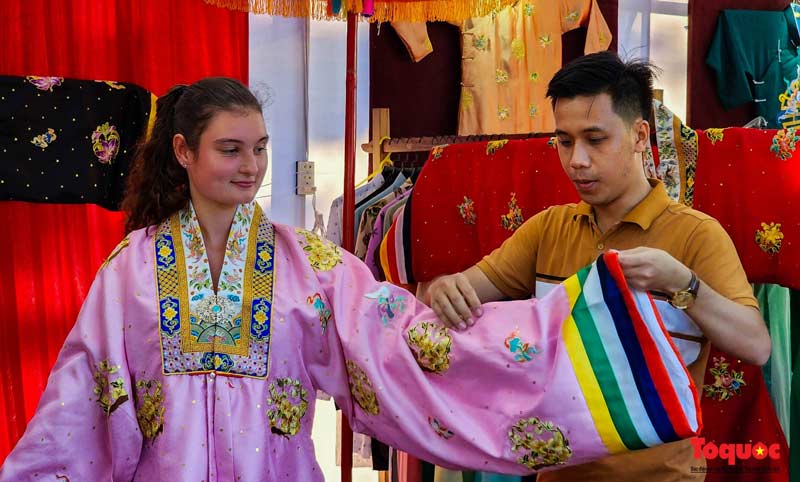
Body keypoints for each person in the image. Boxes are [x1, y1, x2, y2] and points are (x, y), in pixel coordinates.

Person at [0, 77, 701, 482]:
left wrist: (576, 328)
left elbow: (408, 347)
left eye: (261, 150)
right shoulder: (130, 271)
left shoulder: (310, 264)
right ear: (182, 152)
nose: (251, 167)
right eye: (230, 149)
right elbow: (83, 399)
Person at [423, 52, 771, 482]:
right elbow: (459, 292)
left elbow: (756, 347)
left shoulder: (696, 236)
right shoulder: (547, 230)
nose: (577, 161)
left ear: (640, 135)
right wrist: (444, 291)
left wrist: (683, 284)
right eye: (565, 141)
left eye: (595, 139)